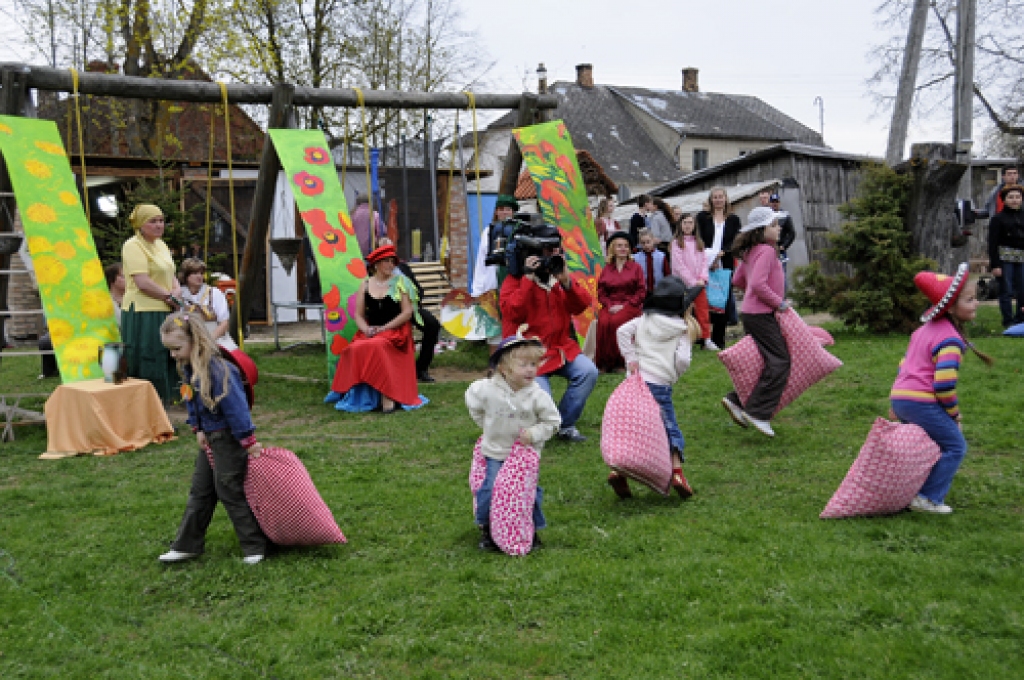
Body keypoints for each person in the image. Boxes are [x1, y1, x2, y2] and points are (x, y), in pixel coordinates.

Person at [156, 312, 268, 565]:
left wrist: (248, 441)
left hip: (229, 439)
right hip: (211, 438)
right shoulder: (189, 368)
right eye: (169, 350)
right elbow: (192, 401)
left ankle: (254, 546)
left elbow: (236, 409)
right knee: (201, 492)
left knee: (230, 490)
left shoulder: (219, 370)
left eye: (176, 348)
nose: (173, 355)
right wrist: (197, 428)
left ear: (196, 341)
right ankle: (187, 545)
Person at [890, 263, 993, 514]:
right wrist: (954, 414)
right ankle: (927, 497)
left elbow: (904, 365)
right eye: (969, 300)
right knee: (956, 446)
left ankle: (902, 490)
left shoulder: (922, 331)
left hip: (902, 397)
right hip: (921, 401)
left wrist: (895, 403)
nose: (976, 303)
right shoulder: (950, 339)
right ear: (951, 308)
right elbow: (944, 384)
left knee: (923, 445)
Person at [465, 328, 561, 551]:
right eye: (523, 365)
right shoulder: (486, 390)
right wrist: (486, 425)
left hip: (524, 456)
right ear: (503, 368)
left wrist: (534, 434)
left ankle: (531, 530)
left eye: (533, 365)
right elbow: (473, 402)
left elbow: (553, 422)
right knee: (490, 489)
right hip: (495, 452)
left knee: (527, 494)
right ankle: (488, 529)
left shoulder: (537, 395)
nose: (530, 370)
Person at [500, 237, 598, 443]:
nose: (548, 260)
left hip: (560, 347)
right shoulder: (514, 280)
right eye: (545, 254)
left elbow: (581, 305)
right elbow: (513, 313)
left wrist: (567, 282)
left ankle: (564, 425)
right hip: (529, 354)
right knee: (542, 398)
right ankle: (539, 426)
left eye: (553, 254)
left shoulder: (557, 279)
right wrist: (527, 279)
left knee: (588, 371)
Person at [612, 276, 701, 499]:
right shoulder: (682, 329)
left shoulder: (644, 320)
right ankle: (678, 473)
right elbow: (683, 360)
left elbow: (621, 331)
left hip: (635, 382)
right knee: (668, 428)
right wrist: (672, 375)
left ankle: (618, 472)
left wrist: (631, 359)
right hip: (660, 385)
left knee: (633, 428)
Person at [721, 206, 790, 438]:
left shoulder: (752, 251)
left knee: (764, 363)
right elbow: (759, 285)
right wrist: (778, 303)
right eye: (774, 225)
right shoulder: (767, 251)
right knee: (780, 362)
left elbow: (739, 279)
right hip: (762, 314)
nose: (778, 228)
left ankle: (736, 400)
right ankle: (759, 413)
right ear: (761, 230)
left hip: (752, 313)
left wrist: (752, 297)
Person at [327, 244, 422, 413]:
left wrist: (384, 328)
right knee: (353, 348)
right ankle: (358, 396)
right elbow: (358, 315)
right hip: (372, 332)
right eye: (386, 262)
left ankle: (388, 397)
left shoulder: (401, 282)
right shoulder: (365, 285)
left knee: (377, 346)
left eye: (392, 262)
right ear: (376, 265)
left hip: (395, 332)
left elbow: (407, 313)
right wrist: (366, 330)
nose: (391, 265)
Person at [121, 204, 182, 403]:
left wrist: (176, 292)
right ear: (140, 224)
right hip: (144, 312)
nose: (159, 225)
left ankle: (165, 404)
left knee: (166, 356)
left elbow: (171, 275)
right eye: (152, 221)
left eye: (161, 220)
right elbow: (142, 282)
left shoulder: (162, 245)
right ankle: (146, 406)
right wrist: (169, 297)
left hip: (165, 308)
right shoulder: (132, 246)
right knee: (149, 358)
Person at [380, 238, 442, 382]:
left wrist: (414, 301)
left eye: (390, 250)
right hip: (390, 313)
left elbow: (419, 289)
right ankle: (395, 370)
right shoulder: (375, 271)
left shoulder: (403, 268)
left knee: (432, 324)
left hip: (412, 309)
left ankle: (421, 369)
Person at [472, 195, 519, 355]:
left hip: (513, 286)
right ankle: (494, 369)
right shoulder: (489, 232)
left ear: (513, 212)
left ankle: (512, 370)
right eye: (501, 209)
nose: (505, 212)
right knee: (494, 331)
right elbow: (481, 262)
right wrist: (478, 291)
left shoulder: (519, 230)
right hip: (492, 286)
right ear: (496, 212)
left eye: (508, 209)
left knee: (514, 329)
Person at [696, 187, 742, 349]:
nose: (717, 200)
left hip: (725, 262)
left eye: (720, 197)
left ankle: (719, 339)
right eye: (714, 197)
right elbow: (699, 238)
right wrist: (710, 257)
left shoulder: (734, 219)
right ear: (711, 200)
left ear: (725, 199)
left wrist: (721, 253)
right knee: (704, 301)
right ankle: (703, 338)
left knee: (722, 300)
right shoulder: (702, 217)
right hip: (704, 263)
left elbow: (736, 240)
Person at [596, 231, 645, 373]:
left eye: (625, 246)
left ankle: (620, 362)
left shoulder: (636, 268)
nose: (623, 249)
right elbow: (601, 292)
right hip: (610, 305)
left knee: (617, 322)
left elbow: (641, 291)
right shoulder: (606, 269)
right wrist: (610, 305)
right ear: (612, 248)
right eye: (619, 246)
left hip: (630, 305)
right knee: (604, 322)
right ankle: (604, 363)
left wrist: (624, 306)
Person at [670, 213, 716, 350]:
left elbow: (703, 262)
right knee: (683, 313)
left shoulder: (698, 242)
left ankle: (706, 338)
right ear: (680, 225)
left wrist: (702, 278)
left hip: (699, 284)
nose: (688, 225)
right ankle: (684, 340)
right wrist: (691, 281)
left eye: (690, 223)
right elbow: (679, 266)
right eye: (685, 223)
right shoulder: (676, 243)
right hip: (682, 285)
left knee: (703, 311)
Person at [178, 257, 237, 351]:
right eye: (195, 273)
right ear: (185, 276)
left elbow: (224, 323)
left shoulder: (214, 293)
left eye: (201, 273)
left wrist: (208, 340)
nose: (199, 276)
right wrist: (184, 329)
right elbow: (175, 320)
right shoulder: (179, 294)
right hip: (188, 338)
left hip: (215, 337)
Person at [987, 183, 1024, 328]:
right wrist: (995, 264)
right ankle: (1008, 321)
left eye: (1017, 197)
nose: (1014, 200)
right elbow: (992, 243)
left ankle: (1020, 320)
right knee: (1006, 290)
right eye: (1011, 197)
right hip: (1005, 258)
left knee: (1022, 290)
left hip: (1022, 258)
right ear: (1005, 199)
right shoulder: (998, 219)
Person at [768, 193, 796, 290]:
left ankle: (783, 298)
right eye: (773, 202)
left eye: (776, 202)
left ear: (779, 203)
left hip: (780, 249)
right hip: (768, 248)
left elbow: (792, 233)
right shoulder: (766, 215)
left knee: (781, 274)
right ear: (770, 203)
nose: (774, 204)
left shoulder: (785, 215)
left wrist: (784, 245)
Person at [633, 227, 670, 296]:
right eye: (643, 243)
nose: (646, 245)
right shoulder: (636, 258)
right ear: (639, 243)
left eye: (648, 242)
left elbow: (667, 274)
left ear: (653, 240)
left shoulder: (661, 256)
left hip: (659, 291)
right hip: (642, 292)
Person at [351, 194, 387, 258]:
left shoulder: (352, 215)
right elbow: (382, 230)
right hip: (370, 248)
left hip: (355, 248)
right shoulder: (374, 214)